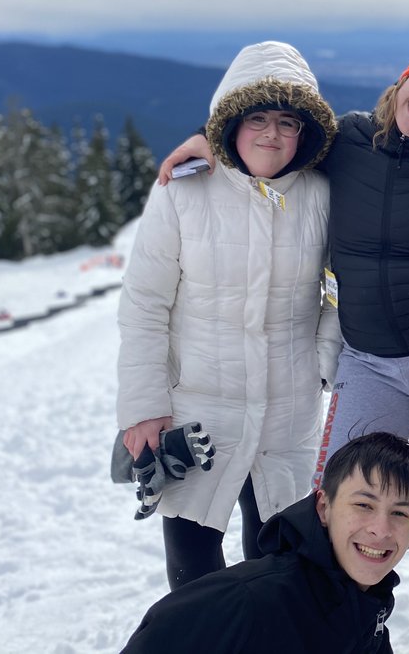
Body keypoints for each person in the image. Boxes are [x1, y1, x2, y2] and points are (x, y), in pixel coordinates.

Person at [156, 38, 409, 654]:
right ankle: (331, 615)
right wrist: (205, 139)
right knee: (339, 492)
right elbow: (268, 138)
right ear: (406, 79)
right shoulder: (345, 140)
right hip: (367, 356)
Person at [119, 40, 341, 590]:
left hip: (288, 414)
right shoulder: (183, 190)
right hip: (197, 414)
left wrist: (322, 358)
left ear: (305, 132)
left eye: (287, 122)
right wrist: (143, 406)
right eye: (257, 118)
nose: (271, 134)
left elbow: (341, 290)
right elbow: (145, 302)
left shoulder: (322, 195)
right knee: (194, 577)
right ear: (231, 124)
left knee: (278, 569)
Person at [120, 432, 409, 654]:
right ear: (323, 507)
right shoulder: (252, 601)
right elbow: (164, 631)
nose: (381, 529)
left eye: (399, 513)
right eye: (364, 505)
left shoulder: (367, 605)